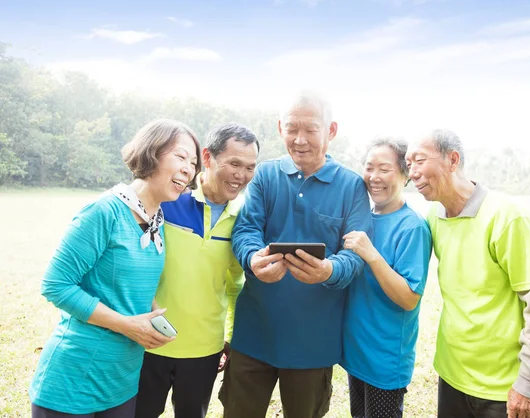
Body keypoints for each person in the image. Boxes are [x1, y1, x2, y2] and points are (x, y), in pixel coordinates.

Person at [29, 119, 202, 418]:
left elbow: (129, 284)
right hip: (74, 379)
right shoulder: (104, 212)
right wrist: (127, 324)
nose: (189, 168)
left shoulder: (156, 220)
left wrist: (152, 312)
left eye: (194, 162)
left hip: (122, 383)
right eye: (181, 156)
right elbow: (56, 285)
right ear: (152, 152)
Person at [219, 91, 372, 418]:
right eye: (291, 129)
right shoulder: (266, 175)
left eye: (310, 130)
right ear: (279, 128)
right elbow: (247, 229)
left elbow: (356, 254)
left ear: (330, 131)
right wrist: (252, 260)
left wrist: (330, 270)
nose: (299, 139)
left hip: (313, 343)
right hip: (253, 333)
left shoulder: (352, 186)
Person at [405, 129, 530, 418]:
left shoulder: (506, 216)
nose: (412, 173)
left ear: (453, 160)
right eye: (408, 164)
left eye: (419, 160)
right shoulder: (434, 217)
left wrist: (527, 385)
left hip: (504, 388)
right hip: (452, 377)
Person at [135, 123, 260, 418]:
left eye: (250, 167)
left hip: (205, 350)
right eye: (234, 163)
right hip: (149, 342)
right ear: (207, 157)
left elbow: (235, 285)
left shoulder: (243, 220)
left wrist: (229, 337)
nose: (241, 175)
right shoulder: (166, 201)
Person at [342, 138, 432, 418]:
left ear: (405, 175)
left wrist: (372, 254)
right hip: (357, 355)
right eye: (369, 168)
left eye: (385, 169)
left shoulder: (412, 227)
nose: (374, 177)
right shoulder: (362, 218)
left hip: (384, 362)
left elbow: (408, 298)